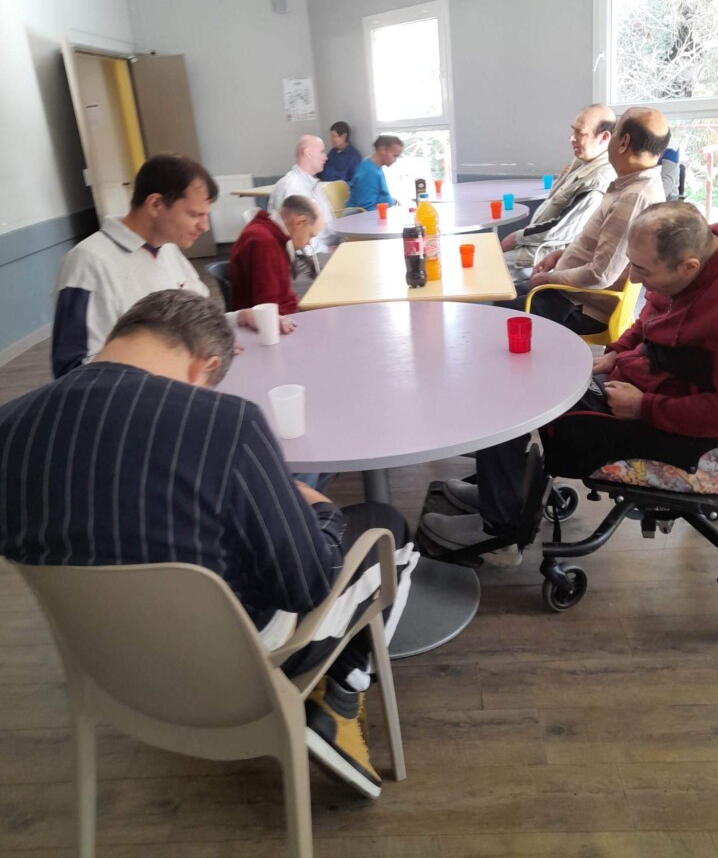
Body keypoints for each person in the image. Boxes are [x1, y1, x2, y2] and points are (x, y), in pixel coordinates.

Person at [0, 290, 419, 798]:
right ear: (207, 366)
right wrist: (321, 511)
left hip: (109, 670)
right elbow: (307, 586)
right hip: (237, 674)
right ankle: (342, 691)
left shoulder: (10, 424)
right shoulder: (226, 423)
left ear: (120, 336)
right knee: (382, 524)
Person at [420, 202, 718, 553]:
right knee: (514, 377)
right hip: (638, 385)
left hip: (682, 435)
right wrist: (618, 350)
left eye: (642, 270)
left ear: (689, 267)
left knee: (516, 397)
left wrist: (644, 407)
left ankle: (500, 531)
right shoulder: (699, 256)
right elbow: (650, 316)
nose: (634, 279)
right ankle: (501, 495)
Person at [50, 154, 278, 379]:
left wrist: (236, 319)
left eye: (205, 216)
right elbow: (73, 370)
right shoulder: (88, 262)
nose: (204, 226)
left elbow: (190, 322)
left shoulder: (167, 249)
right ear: (155, 204)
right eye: (194, 214)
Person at [502, 107, 669, 335]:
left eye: (615, 132)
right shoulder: (631, 186)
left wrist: (549, 278)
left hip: (579, 306)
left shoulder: (634, 197)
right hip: (570, 293)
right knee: (504, 294)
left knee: (497, 313)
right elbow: (604, 249)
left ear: (623, 143)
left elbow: (601, 275)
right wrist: (562, 254)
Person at [500, 105, 617, 281]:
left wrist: (516, 238)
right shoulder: (583, 161)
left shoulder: (599, 180)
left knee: (488, 267)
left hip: (545, 255)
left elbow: (561, 229)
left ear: (604, 137)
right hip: (536, 244)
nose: (572, 138)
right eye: (573, 130)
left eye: (580, 133)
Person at [230, 196, 324, 314]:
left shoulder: (269, 233)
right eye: (310, 235)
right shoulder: (264, 242)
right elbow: (267, 306)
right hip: (270, 320)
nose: (308, 243)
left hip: (281, 314)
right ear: (300, 222)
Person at [268, 135, 339, 256]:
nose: (326, 157)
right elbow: (300, 241)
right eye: (322, 152)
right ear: (308, 153)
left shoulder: (313, 183)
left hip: (328, 246)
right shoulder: (292, 186)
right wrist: (328, 251)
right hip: (313, 257)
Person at [346, 135, 403, 212]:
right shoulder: (368, 172)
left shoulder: (375, 167)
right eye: (395, 155)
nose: (395, 160)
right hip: (364, 217)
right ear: (383, 150)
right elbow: (366, 209)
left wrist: (394, 202)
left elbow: (380, 196)